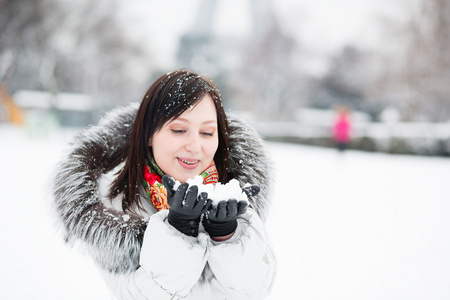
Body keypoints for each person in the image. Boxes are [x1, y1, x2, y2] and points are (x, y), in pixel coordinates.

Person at [52, 69, 276, 299]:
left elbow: (255, 290)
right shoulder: (113, 205)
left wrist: (227, 235)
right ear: (148, 135)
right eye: (179, 130)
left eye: (207, 133)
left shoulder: (236, 194)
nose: (195, 146)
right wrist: (178, 230)